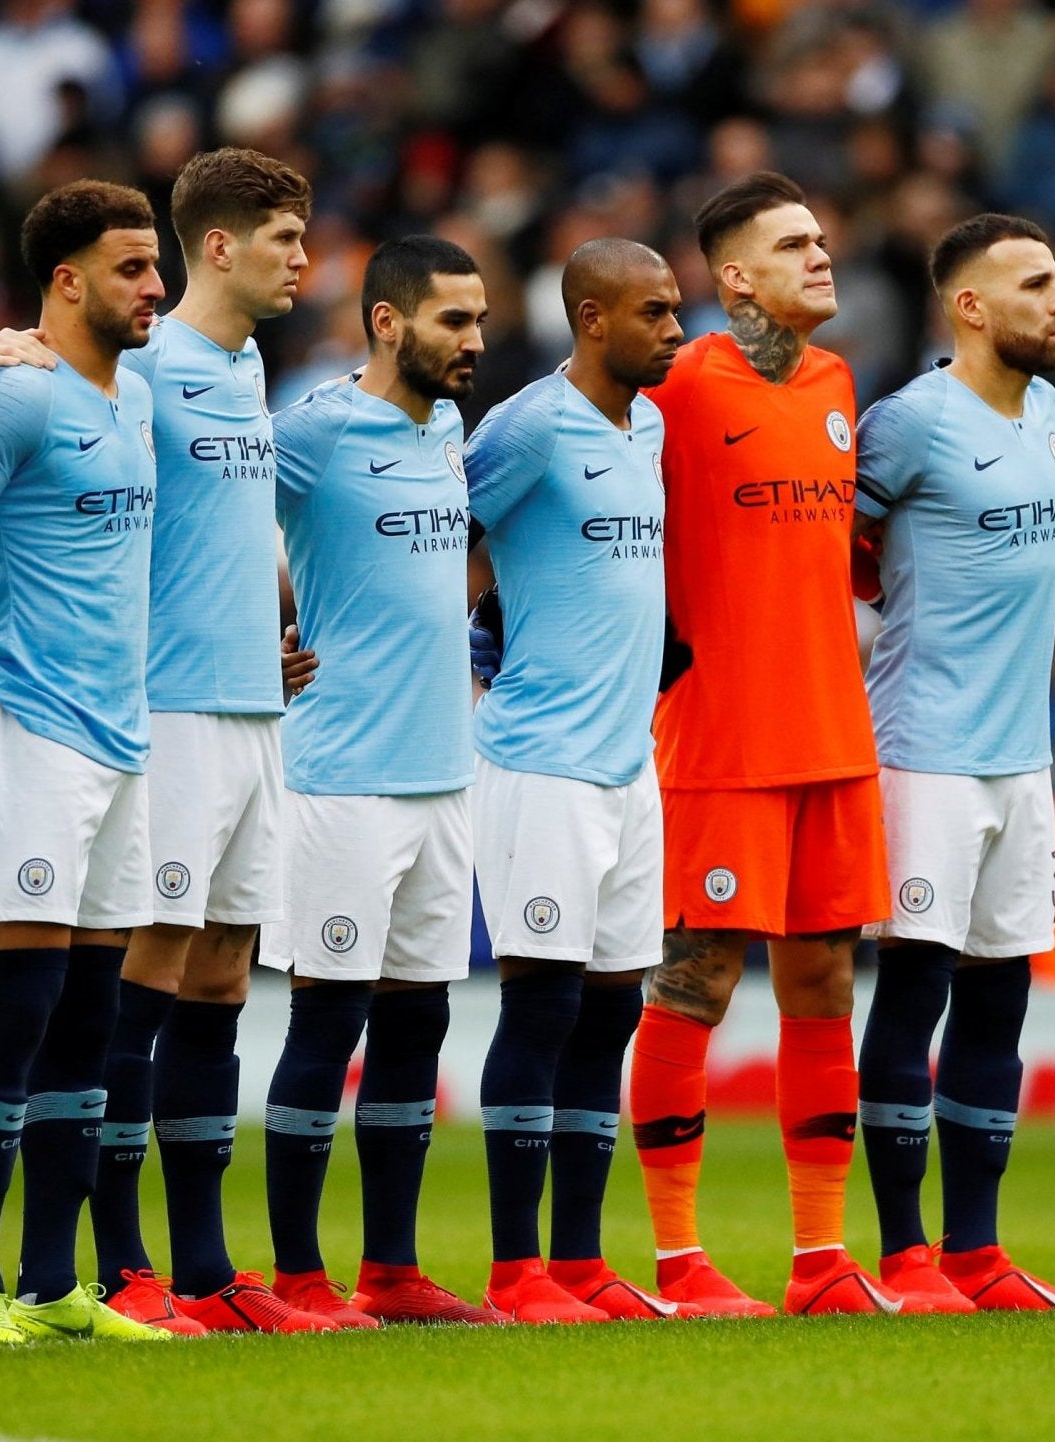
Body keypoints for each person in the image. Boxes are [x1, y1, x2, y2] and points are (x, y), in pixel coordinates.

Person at [629, 172, 897, 1318]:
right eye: (796, 244)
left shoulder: (840, 384)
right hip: (719, 738)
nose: (822, 257)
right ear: (734, 275)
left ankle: (820, 1257)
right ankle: (681, 1260)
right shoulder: (679, 386)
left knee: (825, 982)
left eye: (823, 237)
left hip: (833, 732)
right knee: (692, 982)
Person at [77, 149, 326, 1337]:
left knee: (225, 970)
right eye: (284, 239)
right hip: (169, 711)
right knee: (153, 960)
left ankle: (205, 1268)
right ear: (217, 246)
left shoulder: (247, 365)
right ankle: (119, 1263)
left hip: (253, 707)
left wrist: (261, 627)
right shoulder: (147, 365)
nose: (303, 262)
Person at [259, 235, 503, 1327]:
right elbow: (199, 522)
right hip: (341, 774)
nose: (476, 340)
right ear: (389, 321)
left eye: (482, 317)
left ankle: (392, 1271)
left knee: (416, 1026)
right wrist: (253, 633)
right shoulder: (311, 430)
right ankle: (299, 1276)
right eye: (455, 319)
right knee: (327, 1023)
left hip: (443, 773)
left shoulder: (448, 430)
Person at [851, 213, 1055, 1314]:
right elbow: (838, 551)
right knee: (916, 989)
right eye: (1036, 284)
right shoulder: (909, 423)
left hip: (1020, 757)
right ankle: (903, 1255)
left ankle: (976, 1251)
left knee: (997, 1003)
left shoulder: (1044, 409)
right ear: (971, 307)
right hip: (923, 751)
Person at [466, 238, 684, 1324]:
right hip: (539, 759)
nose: (675, 330)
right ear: (593, 318)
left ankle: (583, 1261)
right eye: (656, 312)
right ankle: (516, 1272)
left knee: (610, 1014)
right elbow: (444, 536)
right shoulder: (525, 426)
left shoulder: (646, 426)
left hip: (628, 764)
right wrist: (467, 650)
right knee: (542, 1004)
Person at [0, 180, 169, 1344]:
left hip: (124, 734)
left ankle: (52, 1287)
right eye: (131, 268)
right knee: (16, 1004)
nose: (156, 288)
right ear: (65, 280)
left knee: (92, 1010)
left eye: (156, 266)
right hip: (29, 725)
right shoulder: (19, 398)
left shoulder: (135, 397)